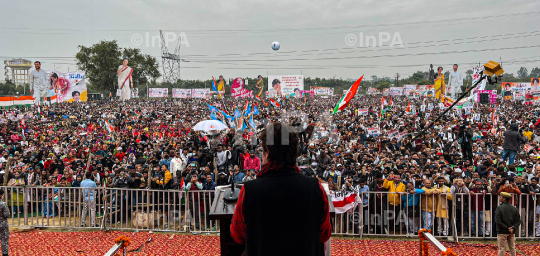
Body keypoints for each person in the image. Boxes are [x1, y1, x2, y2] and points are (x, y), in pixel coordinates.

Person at [230, 122, 331, 255]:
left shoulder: (249, 190)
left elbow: (238, 235)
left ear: (267, 152)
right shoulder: (316, 188)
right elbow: (324, 234)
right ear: (295, 152)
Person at [495, 192, 520, 256]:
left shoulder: (499, 208)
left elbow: (498, 221)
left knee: (501, 248)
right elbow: (518, 221)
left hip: (502, 231)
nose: (500, 197)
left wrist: (507, 228)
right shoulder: (514, 208)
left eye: (501, 197)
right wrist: (513, 228)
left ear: (504, 199)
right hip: (511, 231)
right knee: (512, 248)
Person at [0, 189, 9, 256]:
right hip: (3, 224)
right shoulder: (3, 204)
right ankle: (5, 253)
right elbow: (7, 214)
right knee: (4, 239)